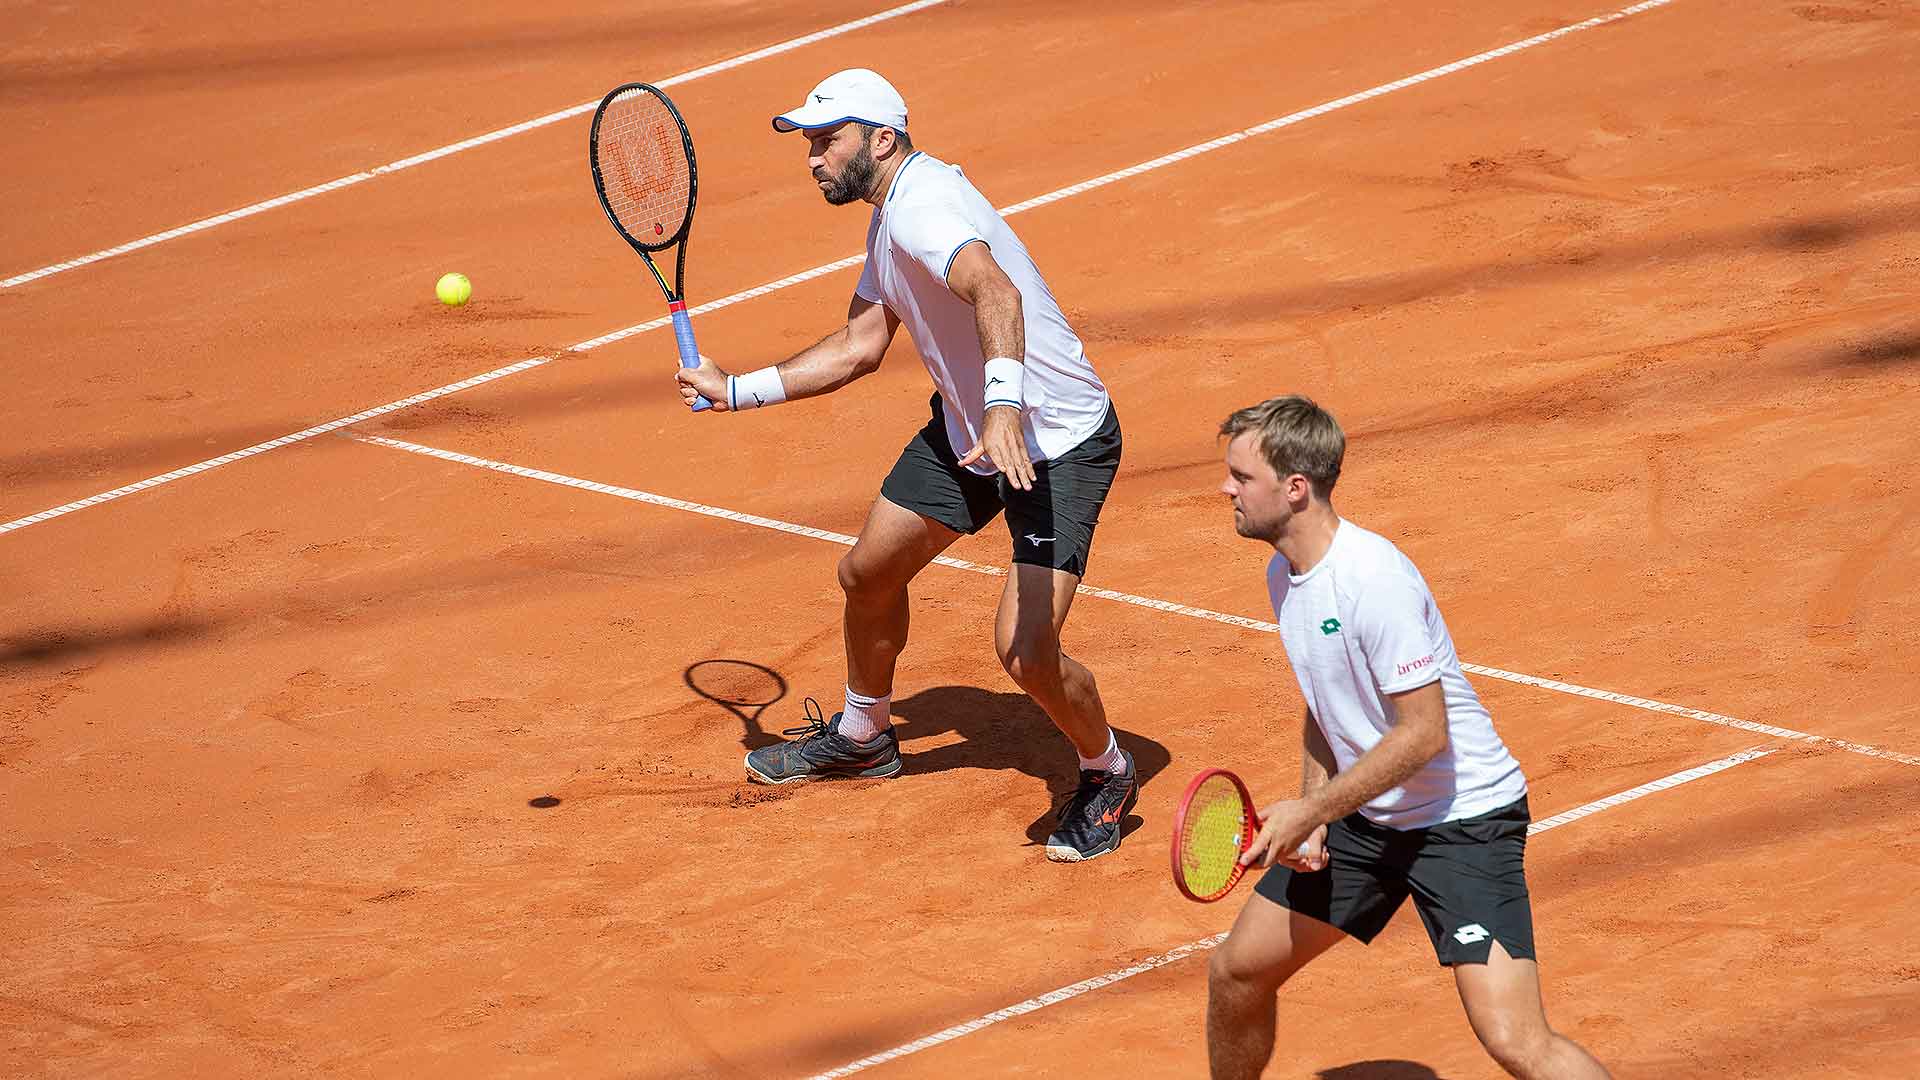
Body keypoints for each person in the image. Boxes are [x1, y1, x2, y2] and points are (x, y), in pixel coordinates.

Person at [674, 69, 1133, 862]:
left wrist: (1001, 407)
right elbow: (858, 346)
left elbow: (996, 293)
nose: (813, 158)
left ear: (881, 139)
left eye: (827, 140)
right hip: (971, 430)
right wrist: (736, 390)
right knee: (869, 573)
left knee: (1025, 653)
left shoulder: (926, 207)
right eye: (810, 143)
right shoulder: (889, 217)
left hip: (1050, 443)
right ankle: (864, 736)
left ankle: (1108, 771)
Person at [1206, 396, 1610, 1078]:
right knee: (1237, 972)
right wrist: (1314, 816)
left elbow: (1424, 735)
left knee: (1515, 1038)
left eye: (1242, 477)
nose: (1227, 489)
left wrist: (1313, 808)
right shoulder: (1287, 572)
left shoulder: (1373, 582)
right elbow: (1326, 701)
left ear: (1294, 488)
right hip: (1367, 819)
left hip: (1463, 822)